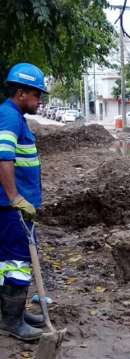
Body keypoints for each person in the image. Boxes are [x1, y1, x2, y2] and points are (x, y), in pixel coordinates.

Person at [0, 62, 48, 341]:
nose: (39, 100)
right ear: (21, 93)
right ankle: (12, 321)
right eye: (36, 94)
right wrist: (15, 197)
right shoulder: (9, 117)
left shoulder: (14, 117)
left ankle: (14, 313)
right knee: (17, 261)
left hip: (14, 207)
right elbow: (3, 159)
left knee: (8, 262)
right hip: (11, 209)